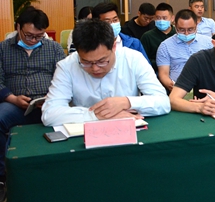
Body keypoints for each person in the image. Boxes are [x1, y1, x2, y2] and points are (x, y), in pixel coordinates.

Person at [42, 19, 170, 126]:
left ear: (114, 46)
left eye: (102, 61)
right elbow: (49, 114)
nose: (95, 68)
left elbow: (163, 102)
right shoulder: (67, 66)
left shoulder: (133, 59)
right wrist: (96, 115)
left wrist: (126, 102)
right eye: (86, 62)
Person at [0, 8, 65, 201]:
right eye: (29, 35)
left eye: (39, 36)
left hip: (47, 103)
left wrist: (50, 98)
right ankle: (3, 176)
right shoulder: (3, 49)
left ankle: (58, 174)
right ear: (18, 27)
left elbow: (65, 79)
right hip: (14, 104)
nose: (33, 40)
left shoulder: (53, 48)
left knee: (69, 117)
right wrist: (12, 98)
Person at [156, 10, 213, 91]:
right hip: (177, 87)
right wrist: (172, 86)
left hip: (205, 88)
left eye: (190, 29)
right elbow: (163, 74)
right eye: (182, 30)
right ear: (175, 26)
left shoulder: (209, 43)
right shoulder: (165, 46)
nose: (186, 33)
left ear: (196, 25)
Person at [141, 3, 176, 72]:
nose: (161, 21)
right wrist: (163, 63)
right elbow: (143, 59)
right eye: (158, 18)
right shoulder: (147, 36)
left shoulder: (178, 34)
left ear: (172, 18)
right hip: (155, 72)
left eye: (164, 18)